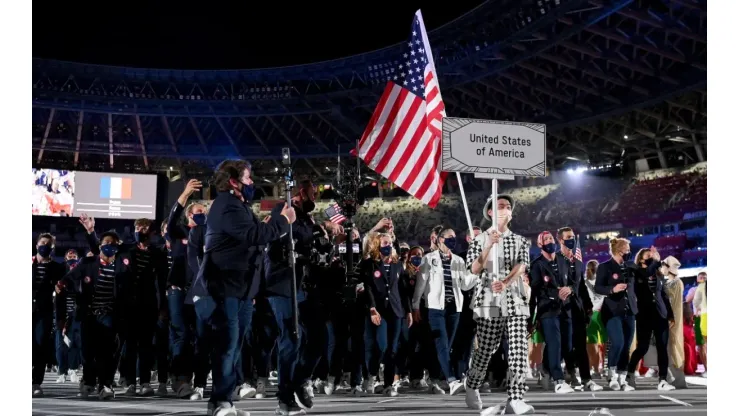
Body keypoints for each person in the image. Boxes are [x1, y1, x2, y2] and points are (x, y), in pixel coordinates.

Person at [195, 159, 294, 416]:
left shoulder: (238, 205)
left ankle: (226, 399)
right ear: (233, 181)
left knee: (235, 346)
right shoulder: (227, 205)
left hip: (241, 289)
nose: (252, 183)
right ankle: (219, 402)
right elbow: (255, 236)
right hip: (225, 285)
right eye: (248, 178)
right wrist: (282, 220)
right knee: (227, 345)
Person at [80, 214, 169, 396]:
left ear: (151, 232)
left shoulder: (158, 253)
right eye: (137, 229)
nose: (140, 232)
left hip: (149, 305)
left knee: (146, 345)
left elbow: (161, 282)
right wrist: (90, 231)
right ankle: (128, 382)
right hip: (125, 306)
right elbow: (100, 250)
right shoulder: (125, 250)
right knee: (128, 346)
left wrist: (163, 307)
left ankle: (144, 382)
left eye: (144, 229)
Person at [464, 195, 534, 415]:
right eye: (500, 206)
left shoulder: (521, 240)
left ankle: (516, 397)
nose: (505, 209)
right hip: (488, 299)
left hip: (514, 297)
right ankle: (472, 384)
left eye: (508, 207)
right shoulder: (479, 239)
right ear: (490, 212)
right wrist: (488, 246)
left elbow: (522, 265)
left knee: (518, 348)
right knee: (486, 349)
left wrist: (505, 282)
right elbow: (474, 269)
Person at [56, 231, 130, 400]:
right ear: (99, 246)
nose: (109, 246)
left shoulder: (122, 265)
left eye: (113, 243)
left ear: (117, 247)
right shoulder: (88, 262)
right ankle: (88, 382)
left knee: (107, 351)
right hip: (88, 313)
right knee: (88, 351)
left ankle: (106, 384)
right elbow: (70, 277)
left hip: (109, 314)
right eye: (106, 243)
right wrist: (61, 284)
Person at [412, 227, 476, 395]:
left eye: (454, 237)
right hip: (435, 308)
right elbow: (421, 284)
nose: (453, 240)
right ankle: (451, 380)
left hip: (454, 308)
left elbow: (464, 285)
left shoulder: (458, 261)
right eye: (449, 237)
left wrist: (477, 272)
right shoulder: (428, 259)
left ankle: (436, 377)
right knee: (441, 343)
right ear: (440, 239)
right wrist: (415, 306)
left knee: (446, 346)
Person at [165, 178, 205, 399]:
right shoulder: (179, 232)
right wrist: (185, 195)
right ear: (190, 215)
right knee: (181, 334)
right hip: (178, 290)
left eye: (204, 212)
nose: (202, 215)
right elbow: (171, 221)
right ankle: (180, 380)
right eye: (198, 212)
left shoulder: (209, 235)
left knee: (200, 336)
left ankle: (198, 382)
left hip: (200, 291)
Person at [360, 233, 413, 397]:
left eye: (390, 243)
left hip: (396, 311)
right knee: (381, 345)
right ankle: (372, 374)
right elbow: (367, 288)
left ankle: (389, 384)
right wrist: (372, 308)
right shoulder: (370, 264)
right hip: (379, 310)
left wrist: (409, 311)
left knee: (392, 349)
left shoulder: (397, 265)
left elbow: (403, 290)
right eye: (384, 243)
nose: (388, 246)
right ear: (377, 245)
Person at [529, 231, 574, 394]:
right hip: (547, 310)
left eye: (551, 239)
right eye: (545, 239)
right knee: (554, 343)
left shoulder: (563, 260)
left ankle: (546, 368)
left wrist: (569, 289)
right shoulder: (536, 265)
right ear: (540, 244)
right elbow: (536, 290)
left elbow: (574, 283)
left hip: (565, 309)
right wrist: (530, 317)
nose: (550, 241)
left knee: (566, 345)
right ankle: (559, 380)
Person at [626, 247, 675, 391]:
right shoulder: (635, 272)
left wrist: (670, 314)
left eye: (652, 255)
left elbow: (663, 295)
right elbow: (646, 273)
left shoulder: (657, 274)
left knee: (662, 347)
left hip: (660, 314)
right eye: (649, 255)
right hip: (644, 315)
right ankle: (629, 374)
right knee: (643, 347)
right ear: (641, 258)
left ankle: (663, 380)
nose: (651, 257)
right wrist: (656, 261)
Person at [593, 237, 638, 391]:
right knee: (617, 342)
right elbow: (598, 288)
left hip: (630, 310)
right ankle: (611, 375)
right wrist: (612, 289)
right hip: (612, 311)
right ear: (618, 251)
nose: (629, 253)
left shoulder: (630, 267)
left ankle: (622, 378)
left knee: (626, 346)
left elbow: (644, 276)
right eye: (626, 251)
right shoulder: (605, 267)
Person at [33, 233, 67, 397]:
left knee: (41, 345)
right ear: (36, 244)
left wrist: (61, 317)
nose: (44, 245)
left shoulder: (57, 268)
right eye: (42, 242)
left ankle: (36, 382)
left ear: (52, 248)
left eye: (48, 244)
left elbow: (62, 294)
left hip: (44, 312)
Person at [661, 256, 687, 388]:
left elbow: (675, 305)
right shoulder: (670, 283)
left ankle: (679, 377)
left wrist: (672, 319)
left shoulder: (676, 283)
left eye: (663, 266)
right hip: (669, 319)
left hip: (673, 320)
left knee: (675, 345)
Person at [584, 260, 607, 377]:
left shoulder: (585, 282)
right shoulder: (602, 281)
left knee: (592, 343)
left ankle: (595, 368)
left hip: (591, 314)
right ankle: (600, 367)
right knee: (601, 342)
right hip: (600, 313)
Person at [692, 271, 707, 377]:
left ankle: (707, 369)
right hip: (701, 315)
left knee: (702, 345)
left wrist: (697, 310)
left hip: (701, 316)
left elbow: (695, 302)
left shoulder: (699, 287)